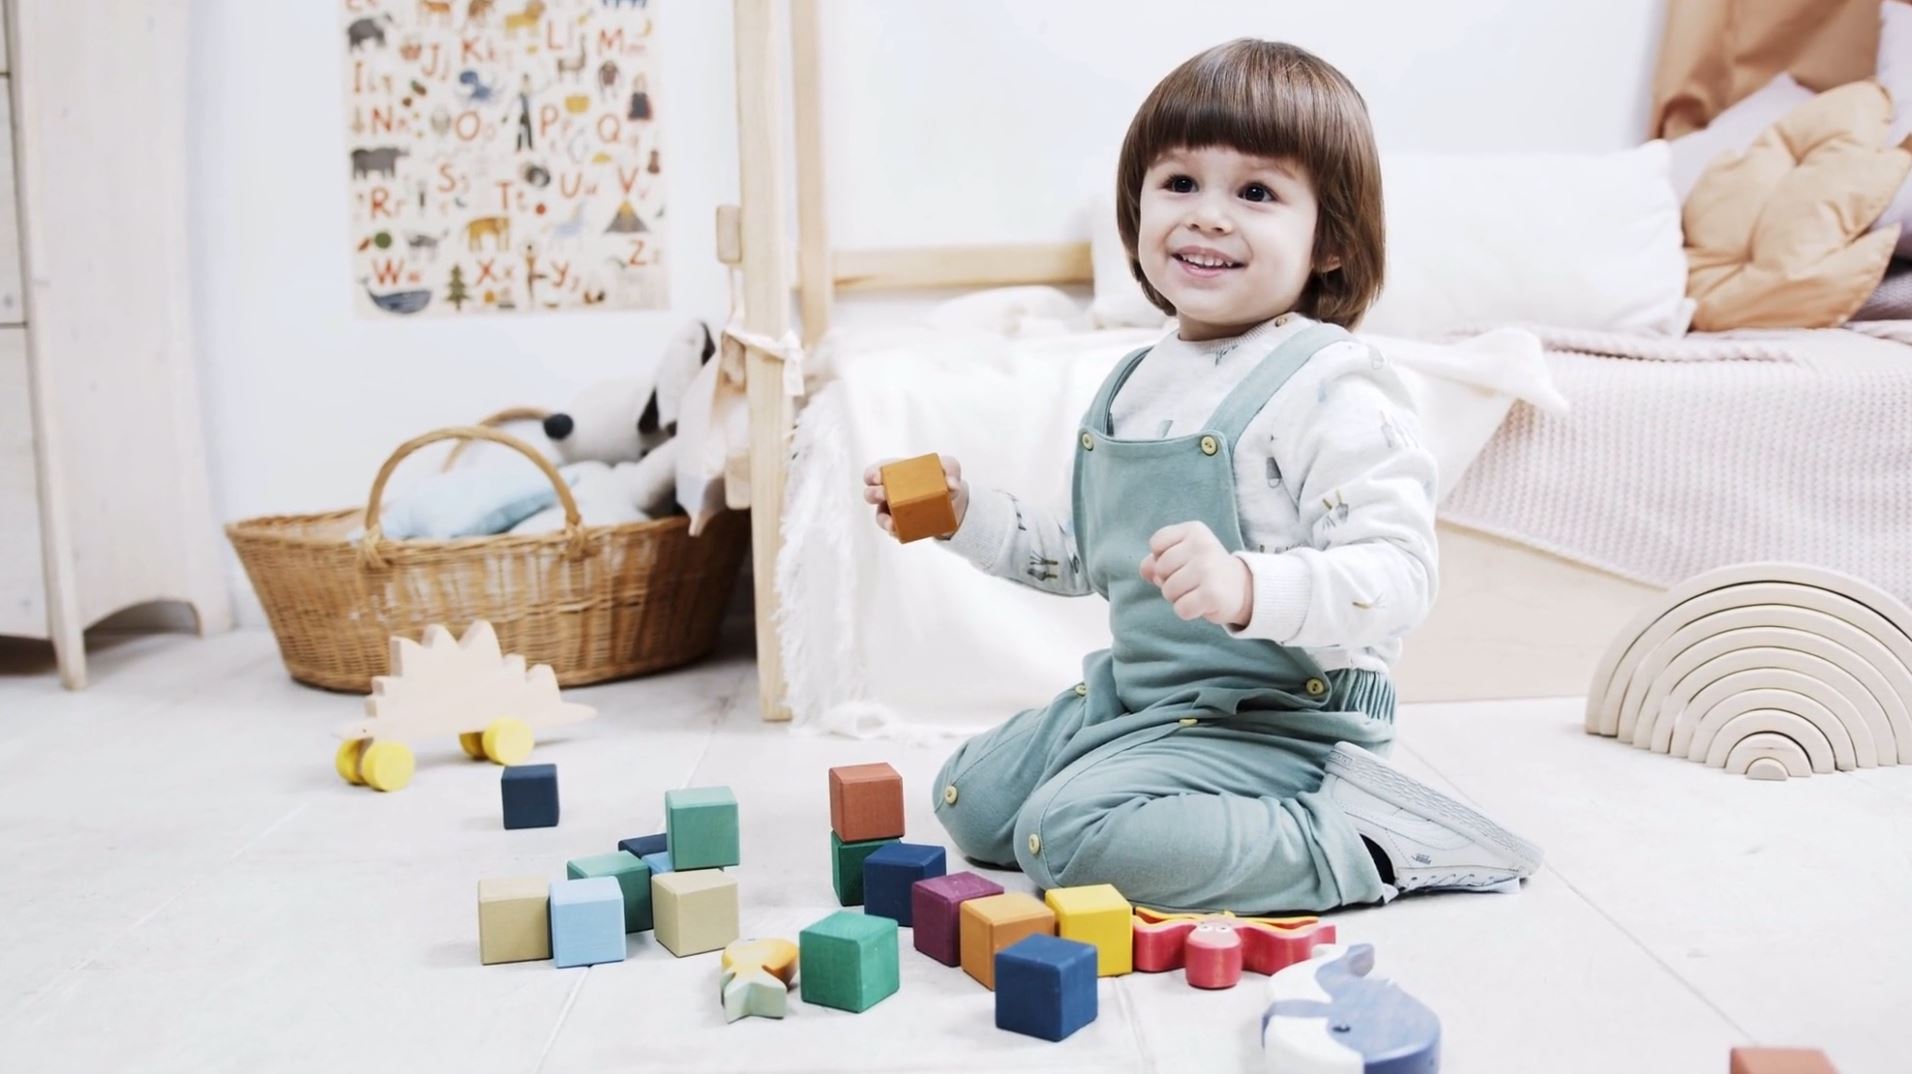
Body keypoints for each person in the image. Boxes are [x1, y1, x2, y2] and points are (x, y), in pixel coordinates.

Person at [862, 39, 1541, 912]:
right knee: (972, 799)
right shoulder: (1132, 383)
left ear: (1329, 241)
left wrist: (1249, 586)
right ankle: (1126, 768)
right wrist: (963, 515)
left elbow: (1399, 576)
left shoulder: (1331, 383)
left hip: (1285, 719)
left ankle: (1364, 840)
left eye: (1256, 192)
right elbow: (1087, 558)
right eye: (1180, 183)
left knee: (1059, 836)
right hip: (1149, 697)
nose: (1208, 216)